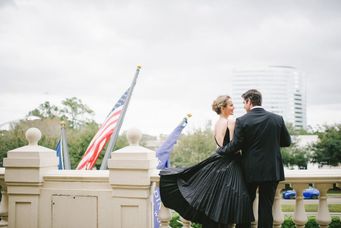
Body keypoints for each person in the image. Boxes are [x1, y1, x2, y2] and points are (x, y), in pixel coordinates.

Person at [159, 95, 254, 228]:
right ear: (223, 107)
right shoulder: (231, 121)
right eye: (231, 105)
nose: (234, 107)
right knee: (231, 206)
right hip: (229, 166)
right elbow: (232, 146)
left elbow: (219, 146)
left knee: (216, 205)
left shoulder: (217, 123)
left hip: (218, 164)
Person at [217, 89, 291, 228]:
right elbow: (286, 142)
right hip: (271, 170)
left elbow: (235, 145)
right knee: (266, 208)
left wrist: (221, 151)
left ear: (249, 102)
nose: (244, 107)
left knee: (245, 207)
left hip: (249, 171)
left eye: (244, 103)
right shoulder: (277, 118)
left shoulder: (243, 121)